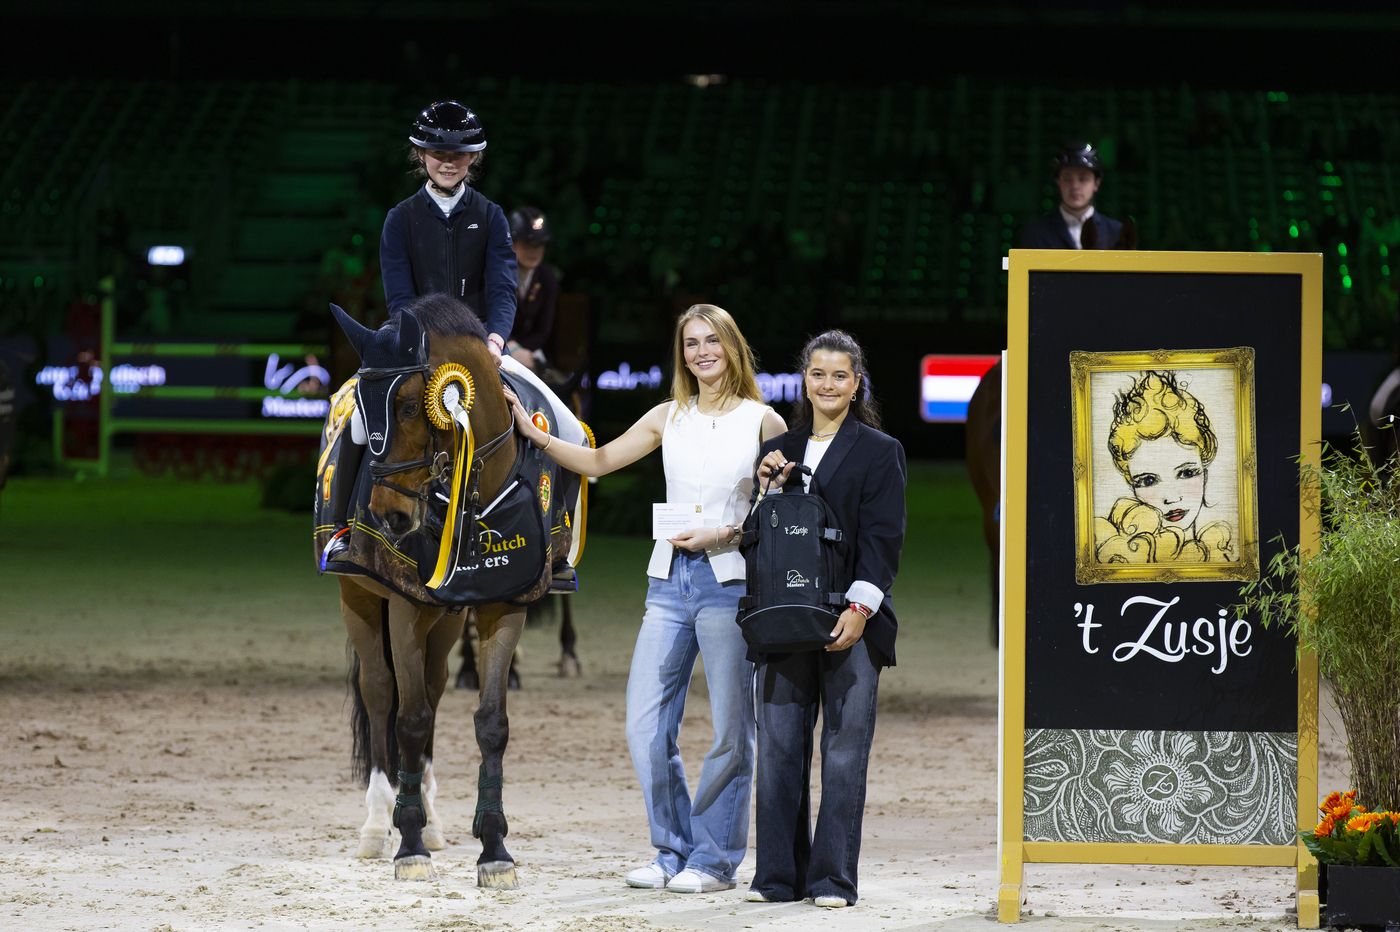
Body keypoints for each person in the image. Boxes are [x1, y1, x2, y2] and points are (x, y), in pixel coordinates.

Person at [506, 304, 787, 894]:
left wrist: (729, 532)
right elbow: (601, 461)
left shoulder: (766, 422)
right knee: (645, 725)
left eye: (712, 341)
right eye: (691, 343)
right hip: (668, 581)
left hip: (730, 582)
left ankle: (713, 860)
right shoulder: (667, 415)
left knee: (733, 729)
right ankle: (673, 849)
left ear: (733, 347)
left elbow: (779, 515)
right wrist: (535, 436)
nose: (702, 352)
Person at [745, 329, 907, 909]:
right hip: (785, 619)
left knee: (843, 751)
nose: (828, 384)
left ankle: (833, 879)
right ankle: (777, 878)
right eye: (818, 374)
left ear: (856, 383)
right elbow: (756, 540)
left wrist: (861, 608)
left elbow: (885, 540)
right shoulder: (780, 447)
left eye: (840, 375)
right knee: (781, 749)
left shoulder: (879, 449)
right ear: (804, 380)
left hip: (849, 620)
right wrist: (764, 490)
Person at [1095, 370, 1234, 564]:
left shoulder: (1220, 552)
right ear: (1132, 485)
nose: (1171, 498)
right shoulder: (1114, 552)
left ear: (1205, 473)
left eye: (1186, 473)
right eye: (1148, 480)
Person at [1018, 142, 1128, 250]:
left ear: (1096, 183)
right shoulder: (1035, 233)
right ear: (1058, 182)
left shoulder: (1116, 233)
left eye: (1083, 179)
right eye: (1067, 179)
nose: (1075, 186)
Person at [504, 206, 559, 375]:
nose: (534, 251)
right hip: (498, 349)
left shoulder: (547, 277)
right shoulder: (497, 273)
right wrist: (511, 348)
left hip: (531, 354)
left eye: (539, 245)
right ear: (512, 243)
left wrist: (523, 352)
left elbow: (543, 330)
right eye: (528, 244)